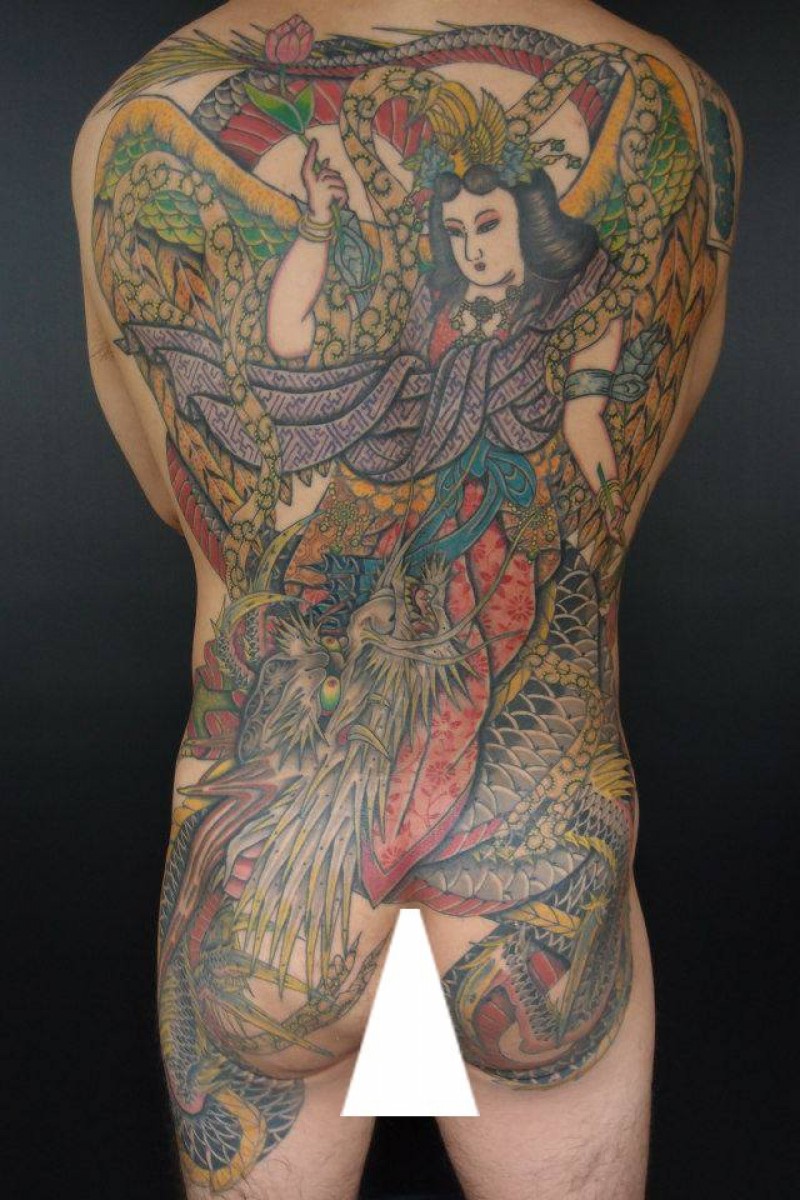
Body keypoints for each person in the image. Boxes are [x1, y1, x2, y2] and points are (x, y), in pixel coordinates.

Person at [72, 2, 741, 1196]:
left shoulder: (133, 113)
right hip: (532, 864)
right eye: (455, 224)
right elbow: (629, 483)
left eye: (488, 223)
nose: (468, 244)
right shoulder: (694, 114)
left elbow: (185, 497)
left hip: (277, 879)